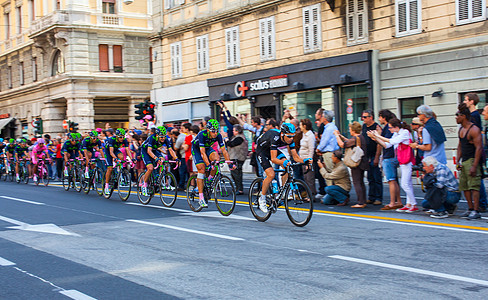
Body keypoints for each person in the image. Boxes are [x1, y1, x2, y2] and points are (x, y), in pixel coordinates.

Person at [255, 122, 312, 213]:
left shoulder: (290, 139)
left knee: (287, 166)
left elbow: (296, 157)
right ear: (282, 134)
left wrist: (304, 161)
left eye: (292, 136)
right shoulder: (275, 138)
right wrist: (283, 162)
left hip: (273, 150)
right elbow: (273, 159)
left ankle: (281, 192)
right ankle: (262, 199)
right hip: (262, 151)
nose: (291, 139)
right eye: (289, 136)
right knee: (271, 174)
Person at [370, 118, 417, 212]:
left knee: (404, 184)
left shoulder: (404, 132)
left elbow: (391, 142)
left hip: (407, 160)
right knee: (408, 183)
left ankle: (413, 203)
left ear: (396, 127)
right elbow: (387, 145)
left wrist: (377, 136)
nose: (389, 130)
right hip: (403, 160)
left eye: (391, 128)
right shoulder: (398, 133)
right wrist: (376, 138)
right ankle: (409, 204)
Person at [191, 119, 235, 208]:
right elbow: (202, 153)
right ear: (208, 130)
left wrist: (229, 163)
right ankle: (201, 198)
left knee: (216, 159)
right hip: (197, 150)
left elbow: (224, 150)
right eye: (213, 131)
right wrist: (208, 165)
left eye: (216, 131)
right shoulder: (202, 134)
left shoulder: (218, 135)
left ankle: (209, 179)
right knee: (202, 169)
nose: (215, 133)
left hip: (207, 148)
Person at [456, 103, 483, 220]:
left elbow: (479, 148)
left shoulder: (474, 129)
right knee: (465, 186)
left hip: (472, 160)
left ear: (464, 116)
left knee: (474, 186)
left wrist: (474, 165)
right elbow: (460, 146)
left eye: (457, 115)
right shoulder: (461, 129)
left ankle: (476, 210)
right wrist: (458, 160)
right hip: (464, 161)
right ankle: (470, 208)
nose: (456, 117)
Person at [335, 121, 369, 207]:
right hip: (362, 161)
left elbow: (342, 145)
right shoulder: (360, 137)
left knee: (356, 182)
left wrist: (336, 135)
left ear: (353, 130)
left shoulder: (354, 139)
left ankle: (360, 202)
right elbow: (349, 141)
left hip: (356, 162)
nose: (349, 130)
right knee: (361, 182)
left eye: (350, 129)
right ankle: (363, 201)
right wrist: (341, 136)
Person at [374, 109, 403, 210]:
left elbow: (386, 144)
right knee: (394, 180)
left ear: (384, 117)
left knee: (391, 180)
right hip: (393, 155)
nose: (379, 119)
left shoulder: (387, 128)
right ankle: (398, 201)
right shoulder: (388, 128)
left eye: (380, 117)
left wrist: (377, 136)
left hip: (389, 156)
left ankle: (392, 202)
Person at [140, 126, 179, 196]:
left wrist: (176, 158)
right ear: (157, 135)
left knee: (163, 160)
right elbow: (149, 151)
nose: (163, 138)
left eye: (164, 136)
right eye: (161, 137)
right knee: (150, 168)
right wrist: (156, 158)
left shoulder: (166, 139)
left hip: (154, 150)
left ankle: (158, 178)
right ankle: (144, 185)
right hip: (146, 151)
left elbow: (170, 150)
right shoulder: (152, 137)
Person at [360, 109, 383, 205]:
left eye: (365, 117)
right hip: (367, 155)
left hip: (374, 154)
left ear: (371, 117)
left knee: (376, 176)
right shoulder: (364, 126)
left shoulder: (376, 127)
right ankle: (371, 196)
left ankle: (378, 197)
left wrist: (377, 156)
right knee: (370, 177)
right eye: (363, 117)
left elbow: (379, 143)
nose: (363, 119)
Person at [104, 128, 132, 195]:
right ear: (116, 136)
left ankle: (119, 171)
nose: (122, 138)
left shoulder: (124, 140)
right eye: (120, 137)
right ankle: (106, 186)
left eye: (123, 136)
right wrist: (115, 158)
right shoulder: (112, 140)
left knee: (121, 157)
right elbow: (111, 152)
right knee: (110, 168)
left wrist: (132, 158)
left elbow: (127, 150)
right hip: (108, 151)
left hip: (116, 150)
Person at [316, 110, 340, 185]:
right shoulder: (332, 126)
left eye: (322, 116)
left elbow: (324, 141)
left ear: (325, 118)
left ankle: (331, 192)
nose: (321, 118)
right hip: (331, 153)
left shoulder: (329, 128)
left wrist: (318, 149)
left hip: (328, 153)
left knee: (329, 174)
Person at [226, 124, 248, 195]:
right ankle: (238, 188)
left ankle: (239, 189)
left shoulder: (240, 138)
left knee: (236, 173)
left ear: (237, 131)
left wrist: (226, 140)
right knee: (235, 173)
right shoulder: (237, 137)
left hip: (238, 158)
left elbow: (231, 144)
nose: (233, 132)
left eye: (234, 130)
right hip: (235, 157)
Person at [299, 119, 316, 198]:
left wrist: (309, 162)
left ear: (304, 126)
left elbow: (311, 149)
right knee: (306, 178)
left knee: (310, 179)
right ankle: (309, 195)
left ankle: (311, 196)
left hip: (307, 159)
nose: (300, 127)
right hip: (303, 159)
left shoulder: (310, 135)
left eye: (301, 125)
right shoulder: (304, 134)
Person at [174, 123, 191, 190]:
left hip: (185, 156)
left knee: (183, 171)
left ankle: (182, 185)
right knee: (188, 171)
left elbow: (181, 147)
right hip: (187, 155)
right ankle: (188, 185)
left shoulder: (184, 137)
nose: (181, 129)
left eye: (183, 128)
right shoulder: (186, 136)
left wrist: (182, 146)